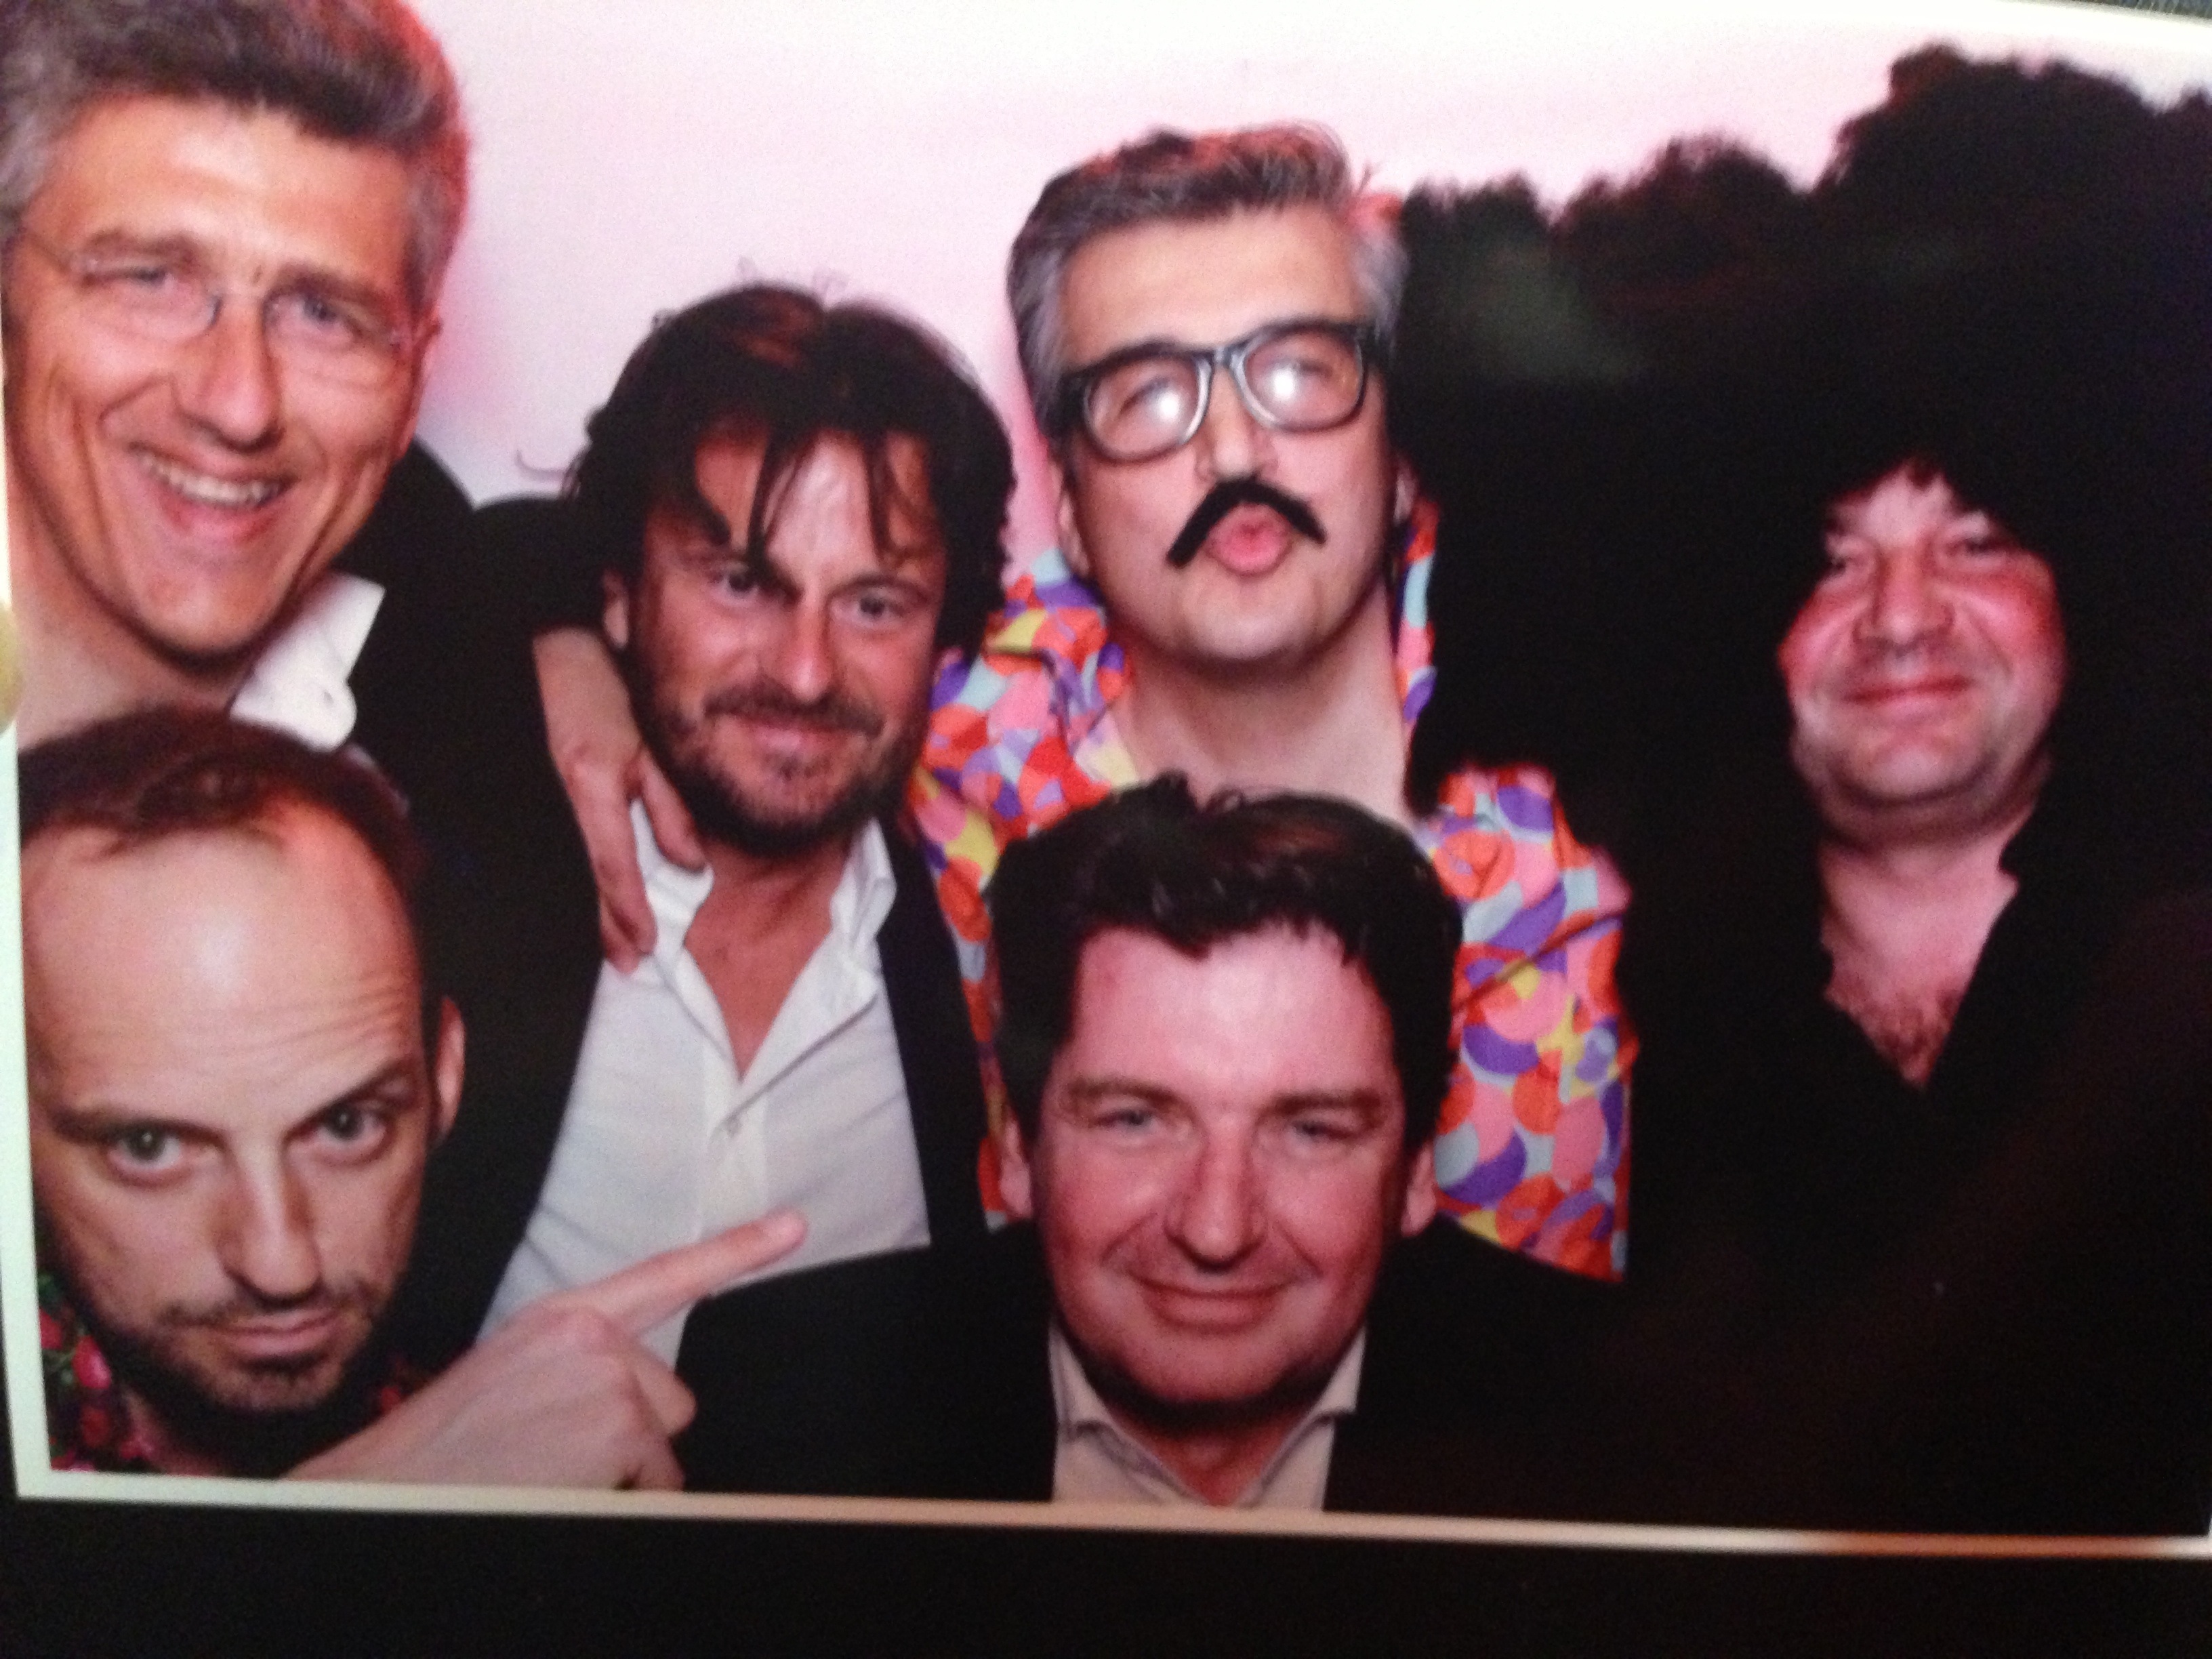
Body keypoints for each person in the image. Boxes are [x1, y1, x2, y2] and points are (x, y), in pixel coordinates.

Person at [537, 123, 1633, 1278]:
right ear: (1066, 503)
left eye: (1299, 373)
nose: (1233, 452)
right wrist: (564, 645)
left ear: (1401, 454)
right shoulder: (962, 713)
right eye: (1148, 395)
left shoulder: (1611, 753)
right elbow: (675, 574)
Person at [1396, 49, 2212, 1532]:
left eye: (1975, 541)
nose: (1901, 618)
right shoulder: (1616, 1032)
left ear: (2090, 577)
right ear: (1719, 605)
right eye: (1833, 559)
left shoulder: (2167, 960)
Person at [0, 0, 601, 1369]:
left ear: (414, 368)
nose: (240, 401)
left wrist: (577, 626)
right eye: (150, 277)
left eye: (325, 313)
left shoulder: (448, 671)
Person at [675, 781, 1608, 1513]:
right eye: (1136, 1121)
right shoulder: (781, 1403)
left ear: (1415, 1170)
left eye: (1311, 1131)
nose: (1216, 1228)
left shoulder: (1612, 1430)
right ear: (1018, 1146)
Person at [25, 710, 801, 1486]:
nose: (282, 1265)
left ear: (444, 1077)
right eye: (150, 1148)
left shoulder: (494, 1442)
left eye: (346, 1126)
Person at [478, 285, 1010, 1361]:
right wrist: (549, 632)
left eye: (874, 605)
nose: (806, 672)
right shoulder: (469, 866)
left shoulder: (973, 959)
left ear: (942, 642)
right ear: (619, 594)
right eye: (741, 584)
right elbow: (369, 509)